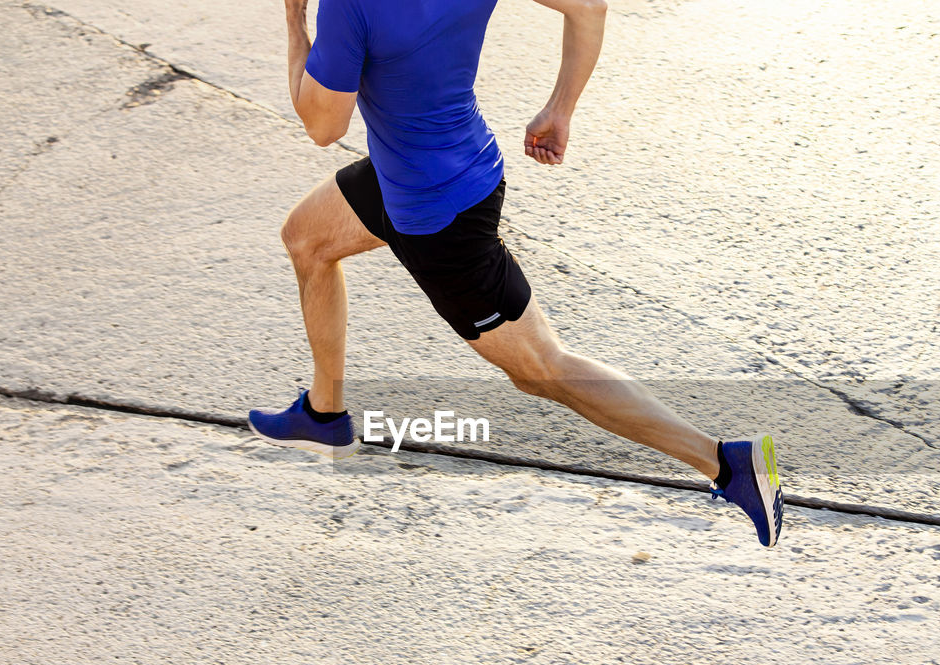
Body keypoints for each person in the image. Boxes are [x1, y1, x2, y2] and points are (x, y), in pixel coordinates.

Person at [248, 0, 784, 547]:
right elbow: (589, 8)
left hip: (436, 221)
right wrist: (560, 109)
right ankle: (323, 413)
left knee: (541, 369)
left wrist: (296, 23)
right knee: (307, 239)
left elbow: (321, 125)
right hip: (436, 170)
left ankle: (725, 463)